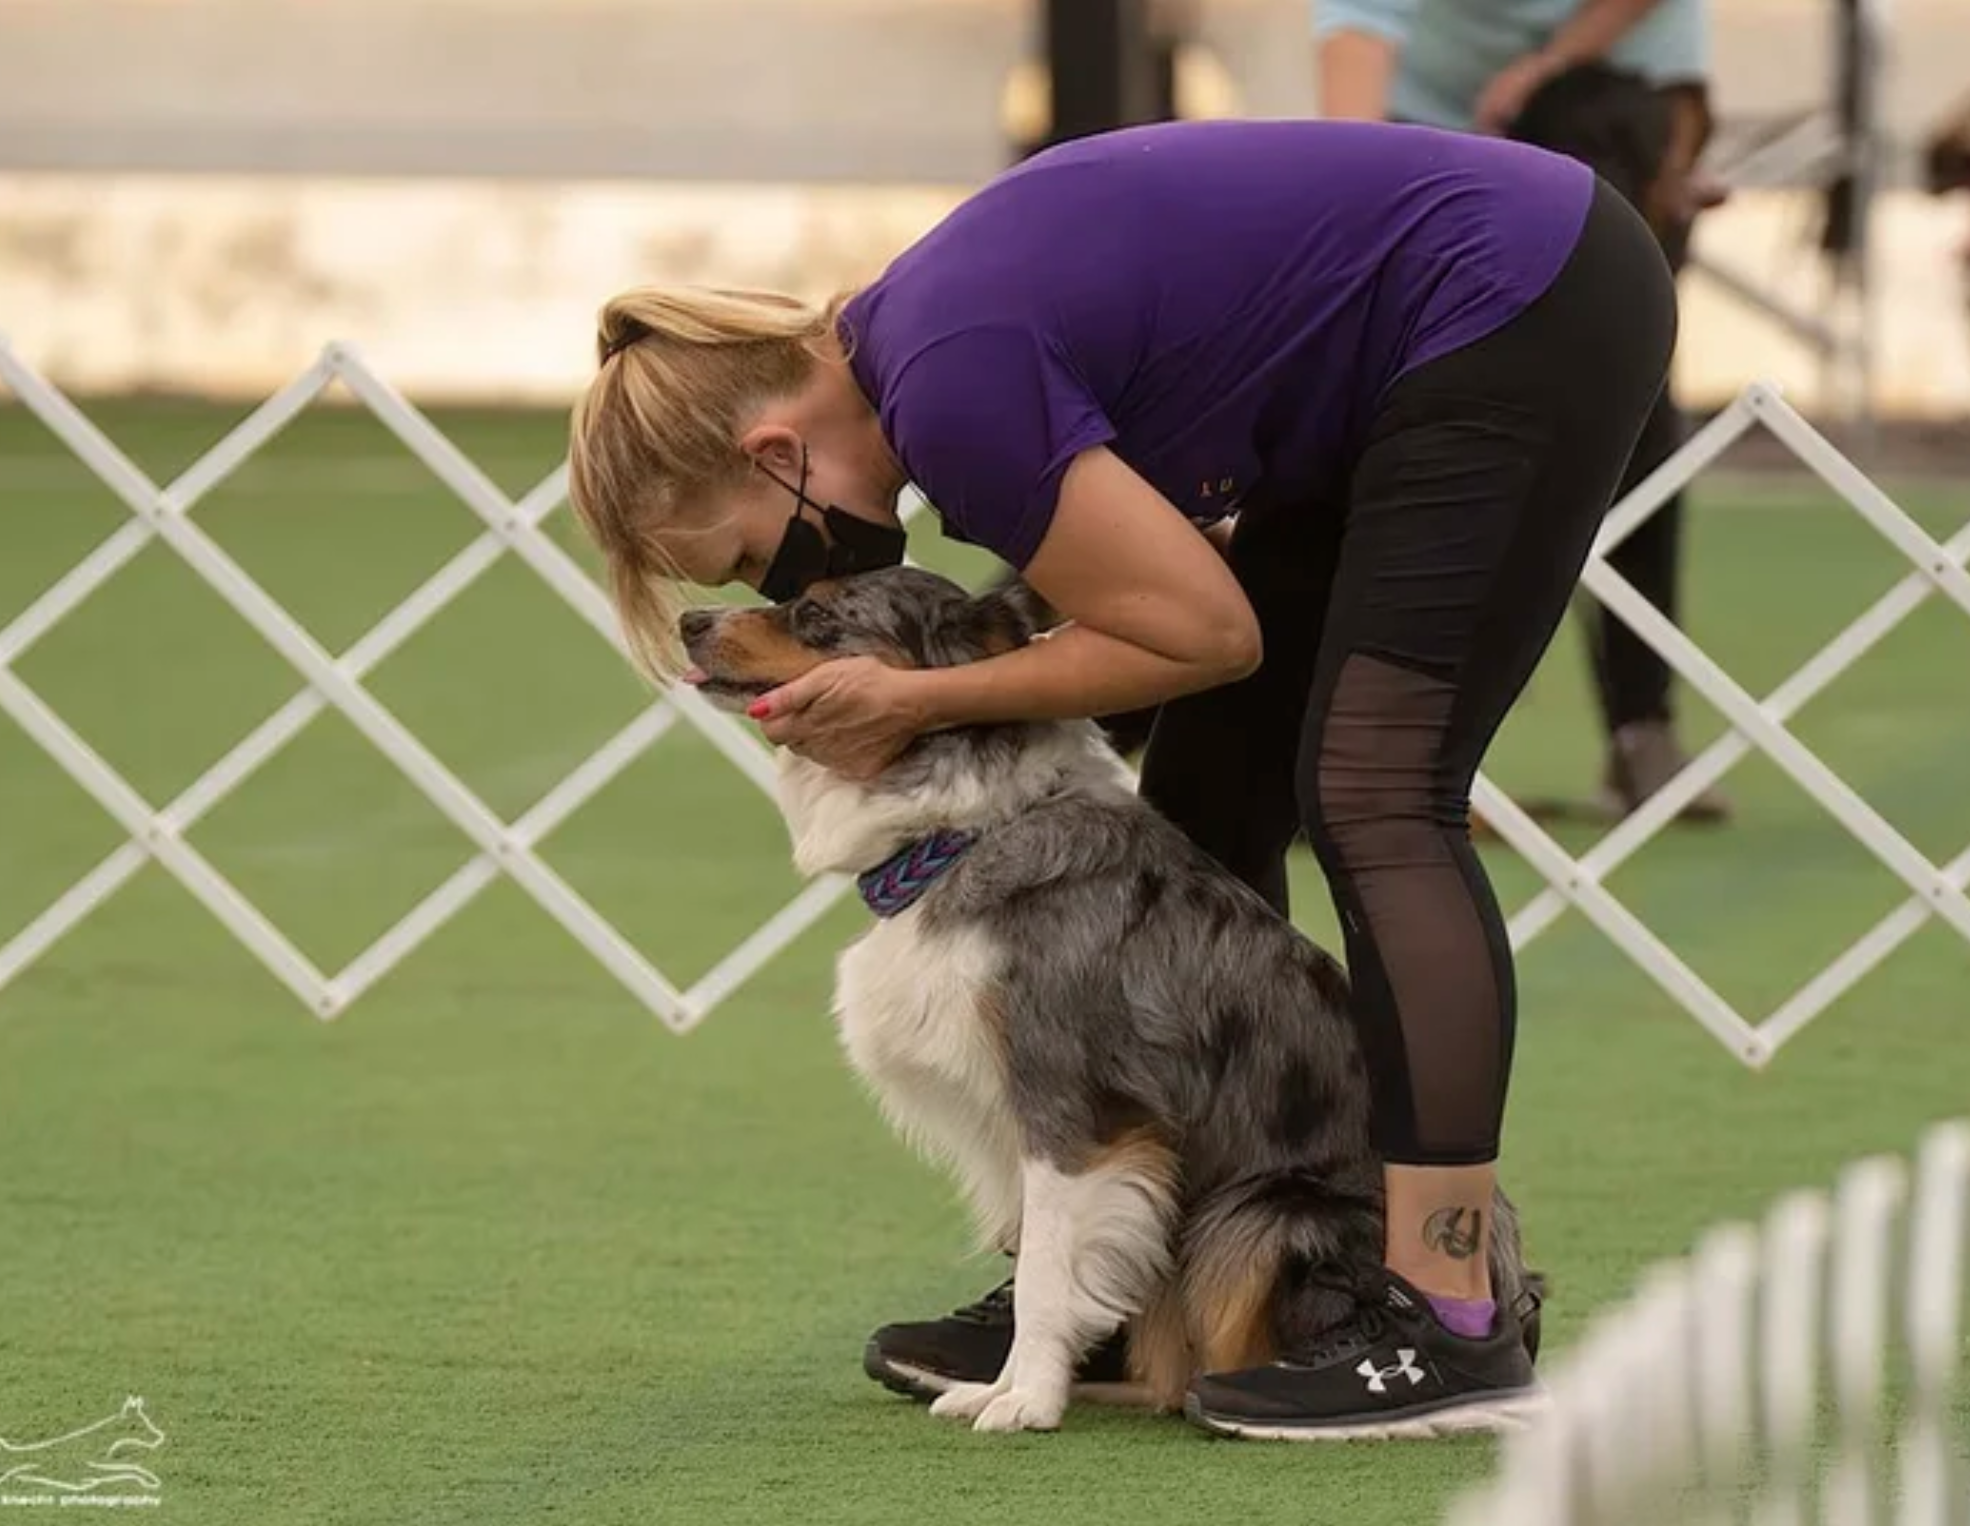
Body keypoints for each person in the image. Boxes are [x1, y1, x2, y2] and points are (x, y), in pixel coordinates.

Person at [567, 118, 1675, 1437]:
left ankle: (1445, 1316)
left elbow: (1203, 633)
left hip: (1512, 297)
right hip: (1398, 354)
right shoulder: (920, 357)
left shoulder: (949, 380)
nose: (796, 587)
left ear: (770, 456)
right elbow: (1158, 620)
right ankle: (1128, 1282)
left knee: (1377, 788)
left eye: (756, 560)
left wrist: (914, 698)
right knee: (1209, 798)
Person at [1315, 0, 1732, 823]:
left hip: (1615, 104)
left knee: (1630, 425)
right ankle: (1399, 747)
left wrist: (1550, 65)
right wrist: (1358, 194)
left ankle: (1640, 727)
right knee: (1432, 456)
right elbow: (1352, 64)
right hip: (1439, 135)